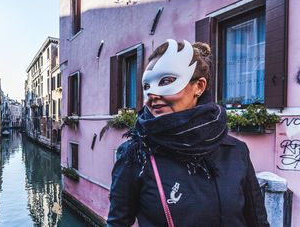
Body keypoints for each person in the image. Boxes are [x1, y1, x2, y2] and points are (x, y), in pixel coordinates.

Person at [106, 39, 269, 227]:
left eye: (166, 81)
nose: (153, 95)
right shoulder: (134, 155)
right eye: (147, 86)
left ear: (199, 86)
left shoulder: (236, 151)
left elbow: (257, 220)